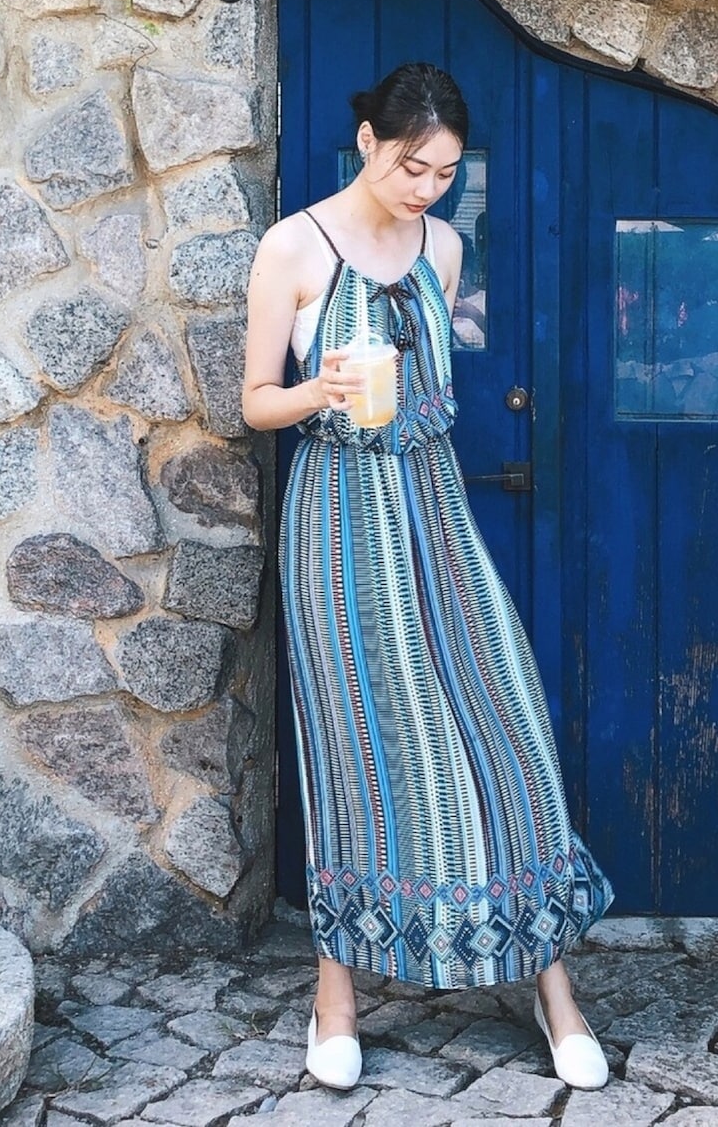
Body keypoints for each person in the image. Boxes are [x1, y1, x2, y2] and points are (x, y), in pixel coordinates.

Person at [242, 63, 613, 1092]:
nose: (428, 189)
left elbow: (434, 377)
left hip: (436, 508)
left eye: (446, 173)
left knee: (506, 731)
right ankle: (335, 997)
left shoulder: (444, 247)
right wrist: (319, 388)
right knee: (357, 751)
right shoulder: (294, 248)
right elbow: (255, 400)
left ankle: (552, 988)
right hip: (338, 521)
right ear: (367, 140)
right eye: (413, 166)